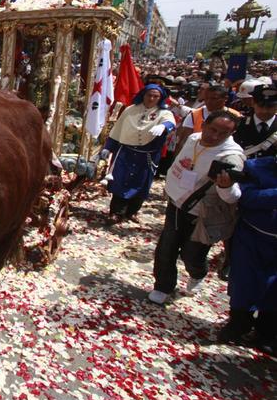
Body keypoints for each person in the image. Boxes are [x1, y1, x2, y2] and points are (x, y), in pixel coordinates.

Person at [148, 111, 244, 305]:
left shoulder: (232, 156)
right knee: (166, 248)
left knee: (192, 254)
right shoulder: (193, 138)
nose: (215, 136)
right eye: (212, 130)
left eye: (223, 133)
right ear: (205, 125)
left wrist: (225, 185)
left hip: (203, 214)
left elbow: (233, 197)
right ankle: (163, 286)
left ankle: (197, 273)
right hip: (176, 205)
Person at [216, 153, 277, 354]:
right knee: (244, 282)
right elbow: (247, 197)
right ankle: (239, 324)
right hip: (253, 237)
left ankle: (267, 331)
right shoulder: (254, 167)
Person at [101, 84, 176, 223]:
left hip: (147, 156)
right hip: (126, 153)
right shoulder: (130, 110)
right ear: (143, 95)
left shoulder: (164, 113)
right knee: (120, 181)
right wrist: (108, 147)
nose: (151, 98)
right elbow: (117, 129)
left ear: (160, 98)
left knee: (141, 183)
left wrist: (163, 126)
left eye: (155, 96)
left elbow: (170, 122)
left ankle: (132, 211)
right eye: (149, 95)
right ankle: (116, 212)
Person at [232, 84, 277, 160]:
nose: (264, 111)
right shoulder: (238, 124)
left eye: (270, 107)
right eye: (260, 106)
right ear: (253, 103)